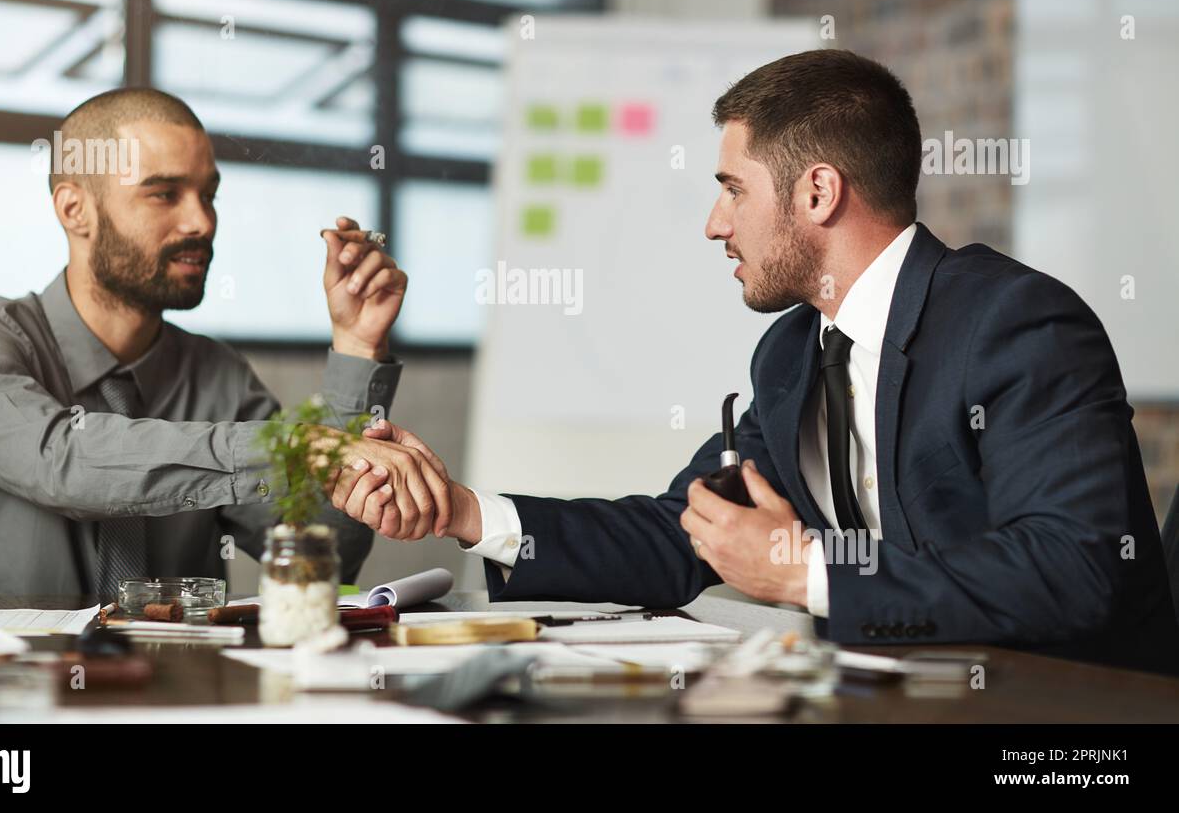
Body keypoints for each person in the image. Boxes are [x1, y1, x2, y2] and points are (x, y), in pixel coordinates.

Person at [330, 49, 1179, 676]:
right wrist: (471, 512)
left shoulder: (1016, 323)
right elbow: (683, 532)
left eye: (733, 188)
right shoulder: (792, 352)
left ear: (817, 192)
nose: (713, 222)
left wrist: (801, 568)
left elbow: (1076, 570)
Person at [0, 87, 444, 594]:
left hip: (176, 685)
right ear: (75, 210)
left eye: (208, 195)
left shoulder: (219, 375)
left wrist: (355, 346)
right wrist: (292, 452)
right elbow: (63, 465)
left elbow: (319, 557)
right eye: (164, 193)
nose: (201, 221)